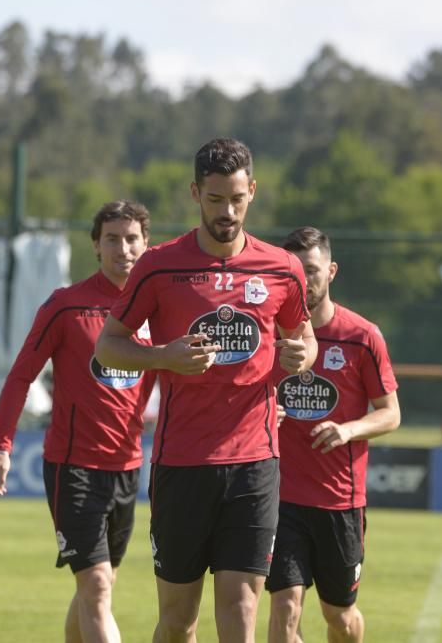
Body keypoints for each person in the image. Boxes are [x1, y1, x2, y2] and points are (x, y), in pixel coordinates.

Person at [95, 137, 318, 643]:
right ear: (196, 193)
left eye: (237, 199)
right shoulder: (158, 265)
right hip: (181, 465)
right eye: (216, 200)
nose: (228, 211)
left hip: (255, 463)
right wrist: (161, 357)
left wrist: (298, 354)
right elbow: (108, 346)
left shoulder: (282, 268)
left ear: (253, 192)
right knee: (178, 622)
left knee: (240, 611)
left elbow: (302, 336)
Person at [0, 200, 156, 643]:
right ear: (96, 246)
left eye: (132, 238)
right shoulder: (66, 305)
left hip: (128, 469)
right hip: (72, 467)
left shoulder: (157, 314)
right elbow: (21, 376)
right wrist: (2, 445)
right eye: (112, 239)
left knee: (95, 590)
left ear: (146, 244)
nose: (123, 248)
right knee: (96, 586)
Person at [266, 226, 401, 643]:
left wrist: (348, 429)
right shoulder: (268, 334)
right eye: (294, 271)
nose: (304, 280)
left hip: (339, 502)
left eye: (312, 270)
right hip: (279, 496)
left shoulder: (362, 336)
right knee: (285, 606)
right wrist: (267, 412)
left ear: (332, 271)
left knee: (340, 618)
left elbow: (391, 414)